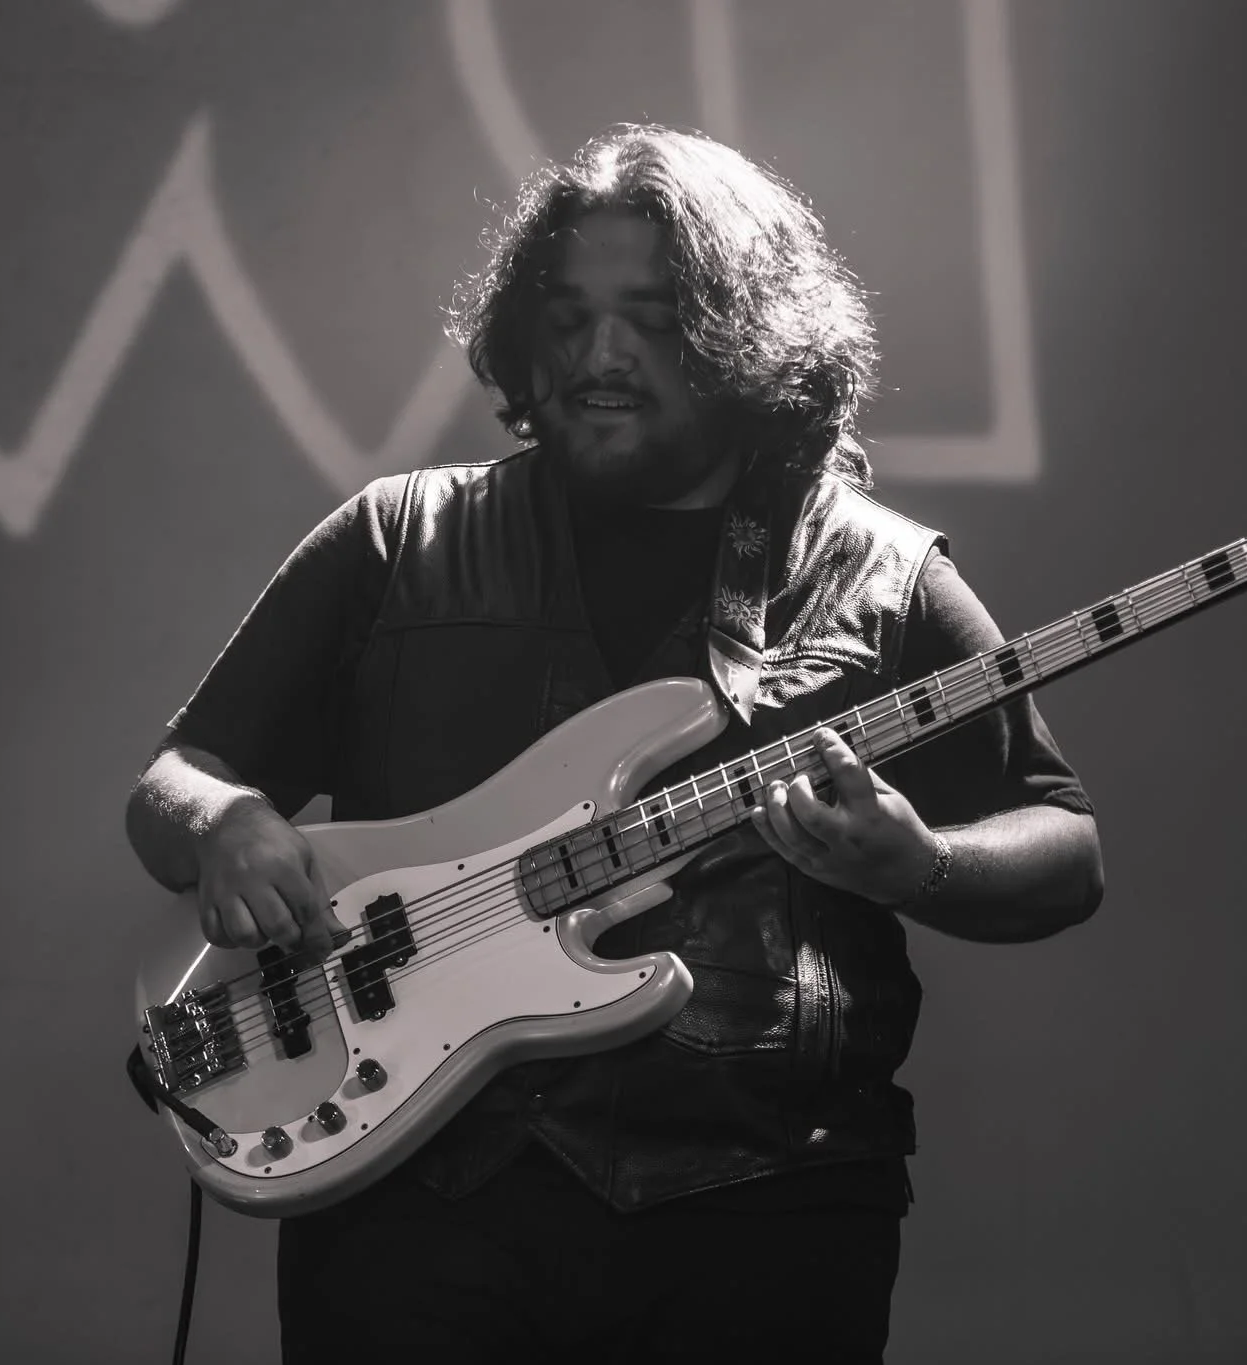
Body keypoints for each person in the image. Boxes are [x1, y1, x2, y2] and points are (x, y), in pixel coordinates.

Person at [125, 125, 1104, 1362]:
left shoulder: (879, 577)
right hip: (414, 1206)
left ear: (748, 337)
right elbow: (175, 781)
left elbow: (1064, 846)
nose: (597, 356)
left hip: (763, 1206)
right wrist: (221, 823)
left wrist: (917, 868)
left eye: (649, 317)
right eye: (567, 315)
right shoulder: (398, 540)